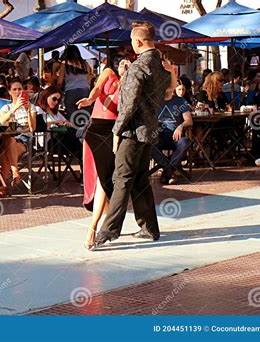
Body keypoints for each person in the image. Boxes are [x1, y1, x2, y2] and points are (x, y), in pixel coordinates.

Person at [92, 21, 172, 250]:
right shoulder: (161, 67)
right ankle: (149, 228)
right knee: (139, 179)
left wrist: (116, 130)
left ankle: (108, 231)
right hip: (150, 130)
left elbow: (128, 105)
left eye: (131, 42)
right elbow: (165, 95)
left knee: (122, 179)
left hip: (133, 131)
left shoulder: (138, 68)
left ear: (137, 42)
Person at [76, 57, 131, 249]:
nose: (125, 63)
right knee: (101, 179)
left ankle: (107, 223)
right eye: (122, 61)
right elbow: (97, 88)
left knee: (106, 180)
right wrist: (90, 99)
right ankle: (94, 227)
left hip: (113, 131)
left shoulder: (128, 84)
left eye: (128, 62)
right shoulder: (108, 73)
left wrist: (126, 79)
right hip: (96, 129)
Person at [0, 78, 37, 197]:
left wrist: (28, 110)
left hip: (25, 140)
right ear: (9, 92)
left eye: (20, 89)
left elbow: (32, 128)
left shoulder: (32, 107)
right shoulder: (6, 108)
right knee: (9, 142)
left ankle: (2, 186)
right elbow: (2, 121)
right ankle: (15, 172)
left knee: (5, 151)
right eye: (15, 89)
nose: (18, 92)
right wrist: (15, 108)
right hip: (9, 138)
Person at [152, 81, 193, 185]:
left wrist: (180, 126)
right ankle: (169, 170)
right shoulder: (155, 101)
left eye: (169, 86)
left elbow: (189, 120)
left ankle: (167, 170)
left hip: (176, 136)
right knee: (147, 144)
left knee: (185, 142)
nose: (166, 89)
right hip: (159, 136)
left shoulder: (180, 101)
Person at [38, 85, 82, 164]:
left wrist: (67, 124)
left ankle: (84, 171)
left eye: (58, 100)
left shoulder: (56, 113)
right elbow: (39, 126)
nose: (56, 102)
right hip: (49, 141)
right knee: (79, 143)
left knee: (80, 145)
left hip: (61, 140)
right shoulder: (39, 110)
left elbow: (66, 123)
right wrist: (55, 122)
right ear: (46, 96)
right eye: (54, 99)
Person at [57, 45, 92, 123]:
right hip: (85, 91)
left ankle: (74, 133)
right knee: (85, 117)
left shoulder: (65, 63)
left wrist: (58, 90)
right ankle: (83, 133)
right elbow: (88, 78)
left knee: (72, 118)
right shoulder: (84, 64)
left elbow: (60, 82)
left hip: (71, 92)